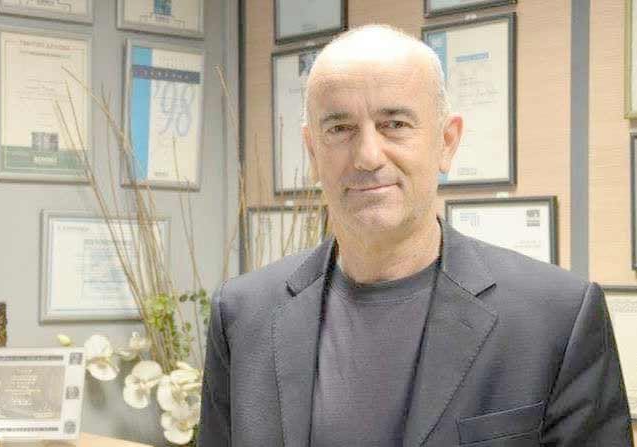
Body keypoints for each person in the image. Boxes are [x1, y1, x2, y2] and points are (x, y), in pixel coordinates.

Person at [198, 25, 634, 446]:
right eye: (340, 129)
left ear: (447, 141)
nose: (368, 156)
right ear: (313, 151)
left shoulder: (557, 318)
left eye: (395, 124)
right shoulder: (242, 316)